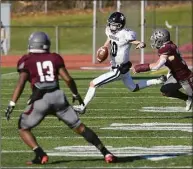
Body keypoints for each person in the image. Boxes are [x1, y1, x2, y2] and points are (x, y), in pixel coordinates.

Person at [5, 32, 116, 165]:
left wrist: (12, 103)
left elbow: (21, 83)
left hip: (40, 99)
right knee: (80, 128)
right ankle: (106, 153)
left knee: (23, 128)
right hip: (58, 97)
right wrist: (76, 94)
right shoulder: (54, 58)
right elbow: (68, 79)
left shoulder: (27, 60)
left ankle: (40, 154)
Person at [73, 12, 166, 113]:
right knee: (133, 88)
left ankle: (82, 107)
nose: (111, 26)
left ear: (120, 25)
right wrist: (104, 47)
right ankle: (158, 81)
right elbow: (109, 38)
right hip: (120, 67)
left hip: (118, 69)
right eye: (111, 24)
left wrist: (141, 43)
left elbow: (134, 41)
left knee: (93, 84)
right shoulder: (109, 31)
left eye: (114, 25)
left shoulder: (126, 34)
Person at [133, 28, 193, 111]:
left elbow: (157, 66)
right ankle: (187, 98)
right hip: (176, 76)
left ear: (161, 40)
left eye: (155, 39)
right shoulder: (170, 45)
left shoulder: (165, 48)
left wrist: (140, 68)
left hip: (186, 78)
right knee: (165, 90)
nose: (154, 41)